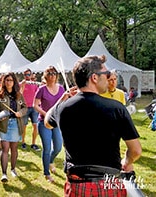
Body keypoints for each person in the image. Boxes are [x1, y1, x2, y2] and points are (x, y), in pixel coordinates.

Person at [44, 55, 142, 196]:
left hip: (77, 186)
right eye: (106, 74)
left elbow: (47, 121)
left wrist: (62, 99)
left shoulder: (63, 108)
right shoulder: (117, 108)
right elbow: (136, 151)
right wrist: (126, 161)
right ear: (94, 78)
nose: (109, 78)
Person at [0, 72, 27, 182]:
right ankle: (4, 173)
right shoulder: (0, 95)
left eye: (11, 80)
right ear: (4, 81)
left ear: (14, 82)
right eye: (7, 80)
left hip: (16, 124)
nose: (9, 82)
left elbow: (25, 107)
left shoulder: (18, 94)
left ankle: (13, 169)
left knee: (14, 148)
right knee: (5, 149)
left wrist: (20, 113)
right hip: (4, 125)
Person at [34, 66, 65, 182]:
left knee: (57, 147)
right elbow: (35, 105)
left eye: (54, 73)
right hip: (44, 122)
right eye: (50, 73)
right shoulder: (41, 89)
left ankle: (50, 161)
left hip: (56, 122)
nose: (52, 75)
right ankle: (46, 173)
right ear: (45, 76)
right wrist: (47, 114)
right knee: (47, 148)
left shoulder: (61, 89)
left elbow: (63, 103)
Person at [20, 68, 40, 151]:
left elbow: (37, 95)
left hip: (33, 107)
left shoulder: (34, 84)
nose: (27, 76)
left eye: (28, 74)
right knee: (24, 126)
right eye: (25, 74)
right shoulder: (21, 83)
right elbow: (20, 94)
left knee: (35, 125)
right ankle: (23, 142)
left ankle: (33, 143)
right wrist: (23, 85)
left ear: (31, 75)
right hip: (25, 107)